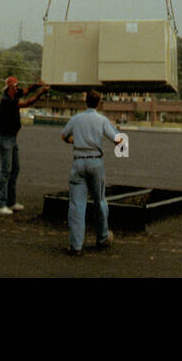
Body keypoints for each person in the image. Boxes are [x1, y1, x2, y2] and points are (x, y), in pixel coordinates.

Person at [60, 89, 124, 255]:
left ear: (85, 100)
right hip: (95, 161)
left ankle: (76, 246)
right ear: (99, 102)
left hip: (78, 161)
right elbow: (118, 140)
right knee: (100, 200)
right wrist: (119, 133)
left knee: (76, 204)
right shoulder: (102, 120)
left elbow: (64, 136)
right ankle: (102, 237)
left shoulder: (76, 119)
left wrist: (76, 140)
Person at [0, 74, 49, 214]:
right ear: (10, 87)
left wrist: (36, 85)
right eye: (16, 86)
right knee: (5, 171)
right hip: (5, 139)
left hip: (12, 138)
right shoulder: (6, 101)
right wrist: (41, 92)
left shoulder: (14, 94)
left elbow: (26, 91)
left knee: (15, 169)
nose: (18, 88)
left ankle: (11, 202)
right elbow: (27, 102)